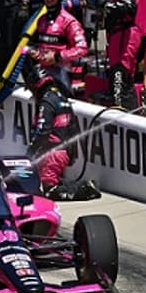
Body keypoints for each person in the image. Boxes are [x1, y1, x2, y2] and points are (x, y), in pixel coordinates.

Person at [25, 71, 100, 201]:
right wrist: (72, 153)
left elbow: (43, 131)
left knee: (47, 192)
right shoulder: (62, 98)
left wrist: (30, 153)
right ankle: (82, 186)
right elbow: (75, 129)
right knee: (40, 184)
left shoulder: (46, 102)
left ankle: (85, 189)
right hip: (61, 152)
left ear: (36, 86)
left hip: (53, 154)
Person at [92, 0, 140, 110]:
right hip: (113, 32)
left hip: (127, 32)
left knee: (123, 74)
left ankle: (131, 112)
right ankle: (116, 104)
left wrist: (106, 4)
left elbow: (130, 7)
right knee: (113, 72)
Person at [24, 0, 88, 93]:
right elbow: (37, 45)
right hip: (43, 71)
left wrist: (57, 56)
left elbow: (82, 49)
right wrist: (32, 52)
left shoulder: (69, 21)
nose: (49, 1)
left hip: (63, 72)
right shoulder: (41, 20)